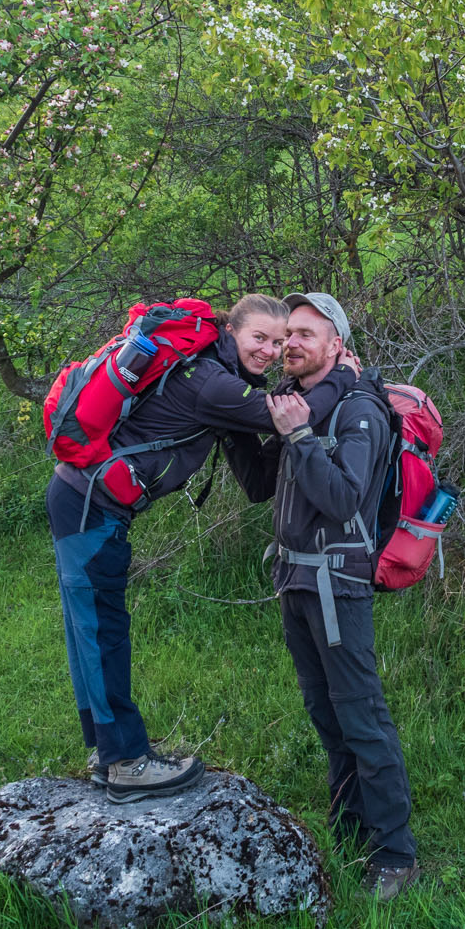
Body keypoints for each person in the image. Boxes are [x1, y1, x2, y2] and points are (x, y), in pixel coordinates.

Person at [45, 293, 351, 804]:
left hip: (81, 497)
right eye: (261, 338)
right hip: (89, 503)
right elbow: (288, 416)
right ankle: (125, 763)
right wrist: (343, 377)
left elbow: (256, 478)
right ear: (231, 331)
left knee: (90, 630)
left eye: (279, 343)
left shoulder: (210, 373)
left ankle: (108, 748)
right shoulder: (212, 382)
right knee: (101, 630)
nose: (272, 351)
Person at [223, 292, 421, 900]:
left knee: (362, 717)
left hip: (337, 585)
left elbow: (341, 499)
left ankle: (394, 853)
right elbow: (260, 485)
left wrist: (302, 435)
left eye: (306, 333)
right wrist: (233, 425)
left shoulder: (358, 411)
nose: (291, 345)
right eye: (287, 336)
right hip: (296, 581)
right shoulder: (301, 405)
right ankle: (350, 827)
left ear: (337, 345)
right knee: (326, 715)